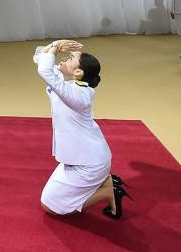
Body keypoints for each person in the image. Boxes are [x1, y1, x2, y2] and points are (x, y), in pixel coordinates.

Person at [35, 39, 130, 219]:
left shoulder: (80, 95)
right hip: (78, 158)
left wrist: (55, 48)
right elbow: (40, 59)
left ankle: (108, 192)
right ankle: (106, 181)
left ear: (78, 72)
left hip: (89, 164)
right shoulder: (68, 85)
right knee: (50, 198)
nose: (64, 57)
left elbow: (44, 70)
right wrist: (55, 45)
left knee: (50, 206)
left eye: (70, 57)